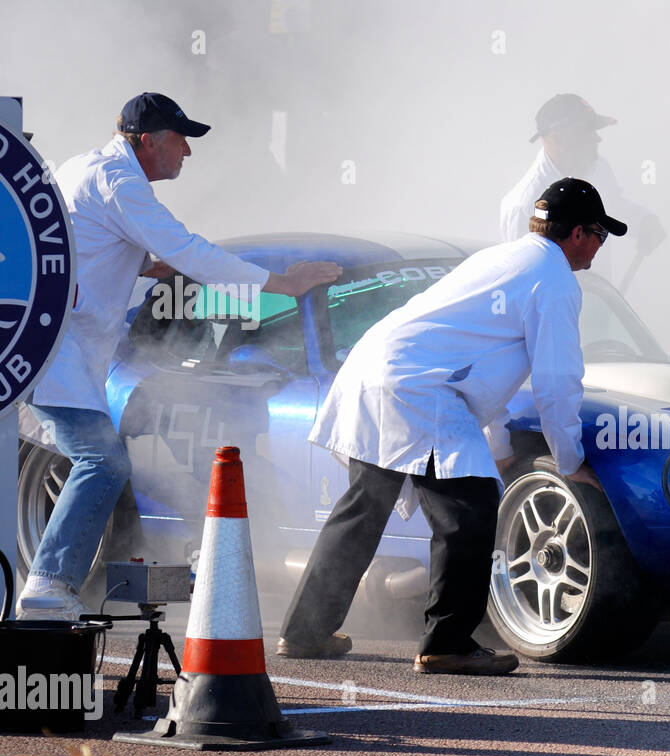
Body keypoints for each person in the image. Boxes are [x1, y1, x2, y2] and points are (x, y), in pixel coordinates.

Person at [276, 178, 625, 675]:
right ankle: (447, 642)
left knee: (361, 511)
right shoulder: (554, 280)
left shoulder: (499, 259)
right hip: (419, 390)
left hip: (375, 370)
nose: (599, 247)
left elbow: (480, 365)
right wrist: (570, 461)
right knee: (471, 508)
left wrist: (498, 443)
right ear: (577, 234)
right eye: (600, 235)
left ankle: (306, 631)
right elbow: (556, 381)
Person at [17, 92, 340, 620]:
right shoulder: (120, 182)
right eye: (179, 139)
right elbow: (189, 250)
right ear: (147, 142)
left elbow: (92, 244)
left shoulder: (89, 168)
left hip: (57, 348)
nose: (187, 152)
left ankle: (50, 586)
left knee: (99, 461)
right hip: (59, 354)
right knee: (102, 462)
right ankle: (48, 585)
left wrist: (146, 264)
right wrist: (284, 283)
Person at [499, 94, 663, 283]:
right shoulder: (524, 205)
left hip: (596, 300)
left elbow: (614, 205)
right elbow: (522, 281)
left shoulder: (597, 167)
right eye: (585, 132)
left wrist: (643, 221)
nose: (597, 138)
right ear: (555, 139)